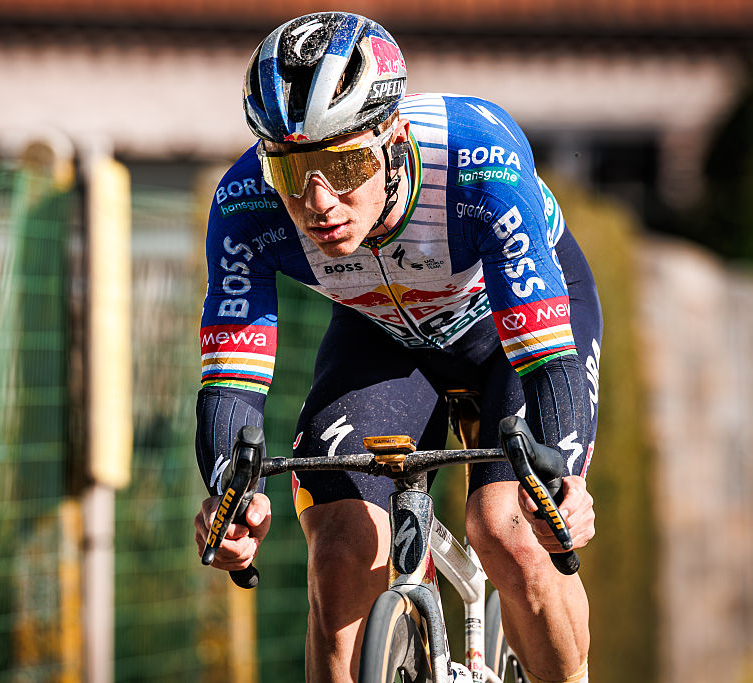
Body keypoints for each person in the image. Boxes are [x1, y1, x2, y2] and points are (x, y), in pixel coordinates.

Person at [192, 12, 601, 683]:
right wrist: (229, 499)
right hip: (382, 332)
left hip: (509, 330)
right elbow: (231, 376)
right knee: (340, 549)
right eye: (290, 170)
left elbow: (545, 353)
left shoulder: (478, 158)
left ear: (395, 140)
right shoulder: (246, 204)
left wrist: (567, 479)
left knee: (509, 527)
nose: (318, 200)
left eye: (343, 163)